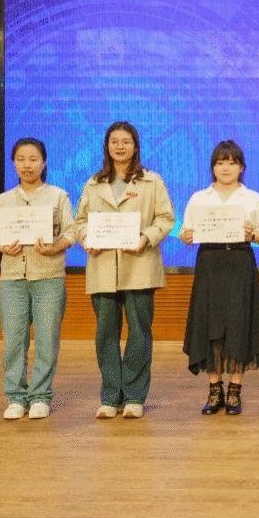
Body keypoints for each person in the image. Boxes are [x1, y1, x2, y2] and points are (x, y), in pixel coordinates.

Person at [76, 121, 175, 420]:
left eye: (126, 141)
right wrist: (86, 238)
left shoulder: (151, 181)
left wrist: (146, 237)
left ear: (135, 146)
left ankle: (134, 396)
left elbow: (166, 218)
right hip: (103, 266)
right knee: (106, 333)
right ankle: (110, 396)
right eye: (114, 142)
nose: (120, 146)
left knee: (139, 333)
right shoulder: (93, 183)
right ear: (107, 146)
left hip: (140, 265)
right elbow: (80, 222)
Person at [179, 140, 259, 416]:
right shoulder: (200, 198)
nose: (226, 168)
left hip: (240, 263)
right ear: (213, 167)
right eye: (221, 163)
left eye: (232, 163)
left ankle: (234, 391)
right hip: (210, 265)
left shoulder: (252, 197)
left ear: (241, 167)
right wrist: (186, 236)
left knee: (239, 324)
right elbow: (185, 231)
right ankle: (214, 389)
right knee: (211, 323)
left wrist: (252, 235)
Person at [0, 137, 75, 420]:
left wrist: (55, 247)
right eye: (21, 159)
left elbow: (72, 232)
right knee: (14, 341)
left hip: (48, 277)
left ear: (44, 162)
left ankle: (40, 396)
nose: (27, 165)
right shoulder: (3, 200)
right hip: (12, 279)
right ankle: (15, 397)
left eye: (33, 159)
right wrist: (3, 246)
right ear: (14, 163)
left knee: (47, 341)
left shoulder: (58, 196)